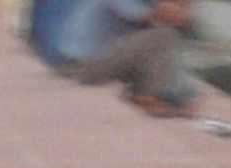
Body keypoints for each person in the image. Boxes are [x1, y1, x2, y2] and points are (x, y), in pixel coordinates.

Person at [53, 0, 197, 120]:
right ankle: (144, 96)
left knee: (161, 47)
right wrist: (179, 9)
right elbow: (162, 16)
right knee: (164, 36)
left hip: (100, 59)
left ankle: (156, 95)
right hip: (83, 65)